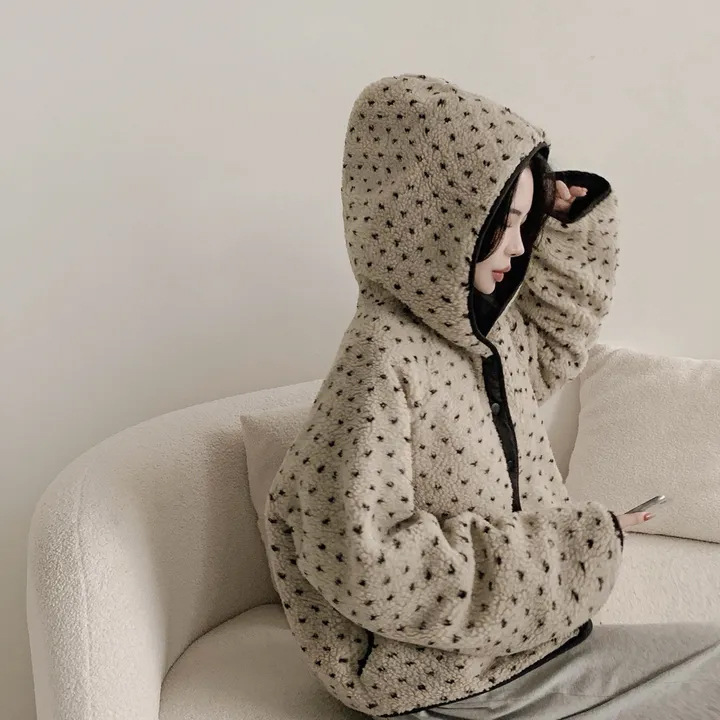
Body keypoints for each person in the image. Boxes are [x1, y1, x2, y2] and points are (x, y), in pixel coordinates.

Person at [264, 75, 720, 720]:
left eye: (525, 224)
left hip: (530, 653)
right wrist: (571, 548)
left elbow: (558, 345)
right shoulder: (379, 362)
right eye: (502, 225)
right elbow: (363, 560)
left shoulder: (480, 334)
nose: (518, 246)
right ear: (434, 220)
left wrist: (566, 226)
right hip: (451, 686)